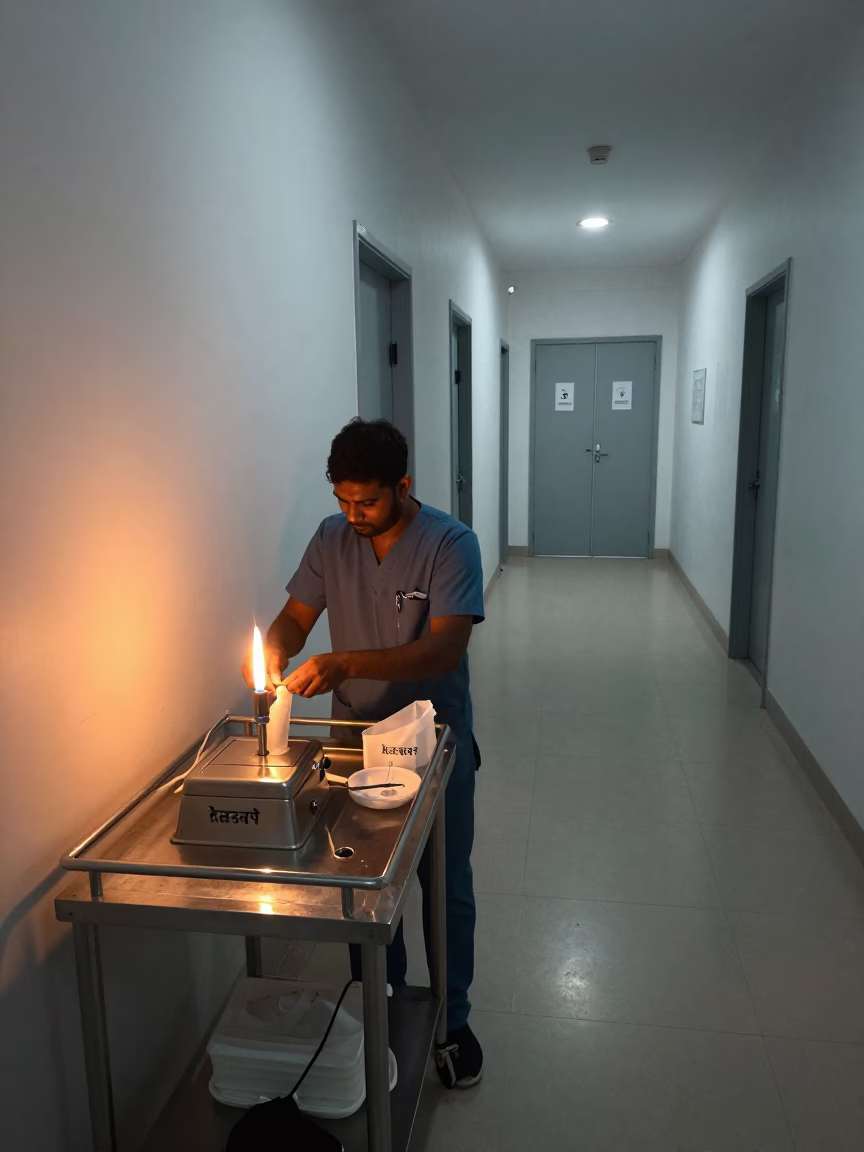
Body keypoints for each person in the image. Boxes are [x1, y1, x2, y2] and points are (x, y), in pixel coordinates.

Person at [244, 418, 484, 1089]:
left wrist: (346, 661)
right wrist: (277, 647)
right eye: (344, 501)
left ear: (402, 486)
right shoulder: (332, 539)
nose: (354, 515)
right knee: (362, 890)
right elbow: (297, 613)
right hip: (354, 746)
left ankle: (452, 1020)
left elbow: (444, 648)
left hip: (432, 744)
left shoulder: (450, 544)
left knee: (445, 886)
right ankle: (376, 1000)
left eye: (368, 503)